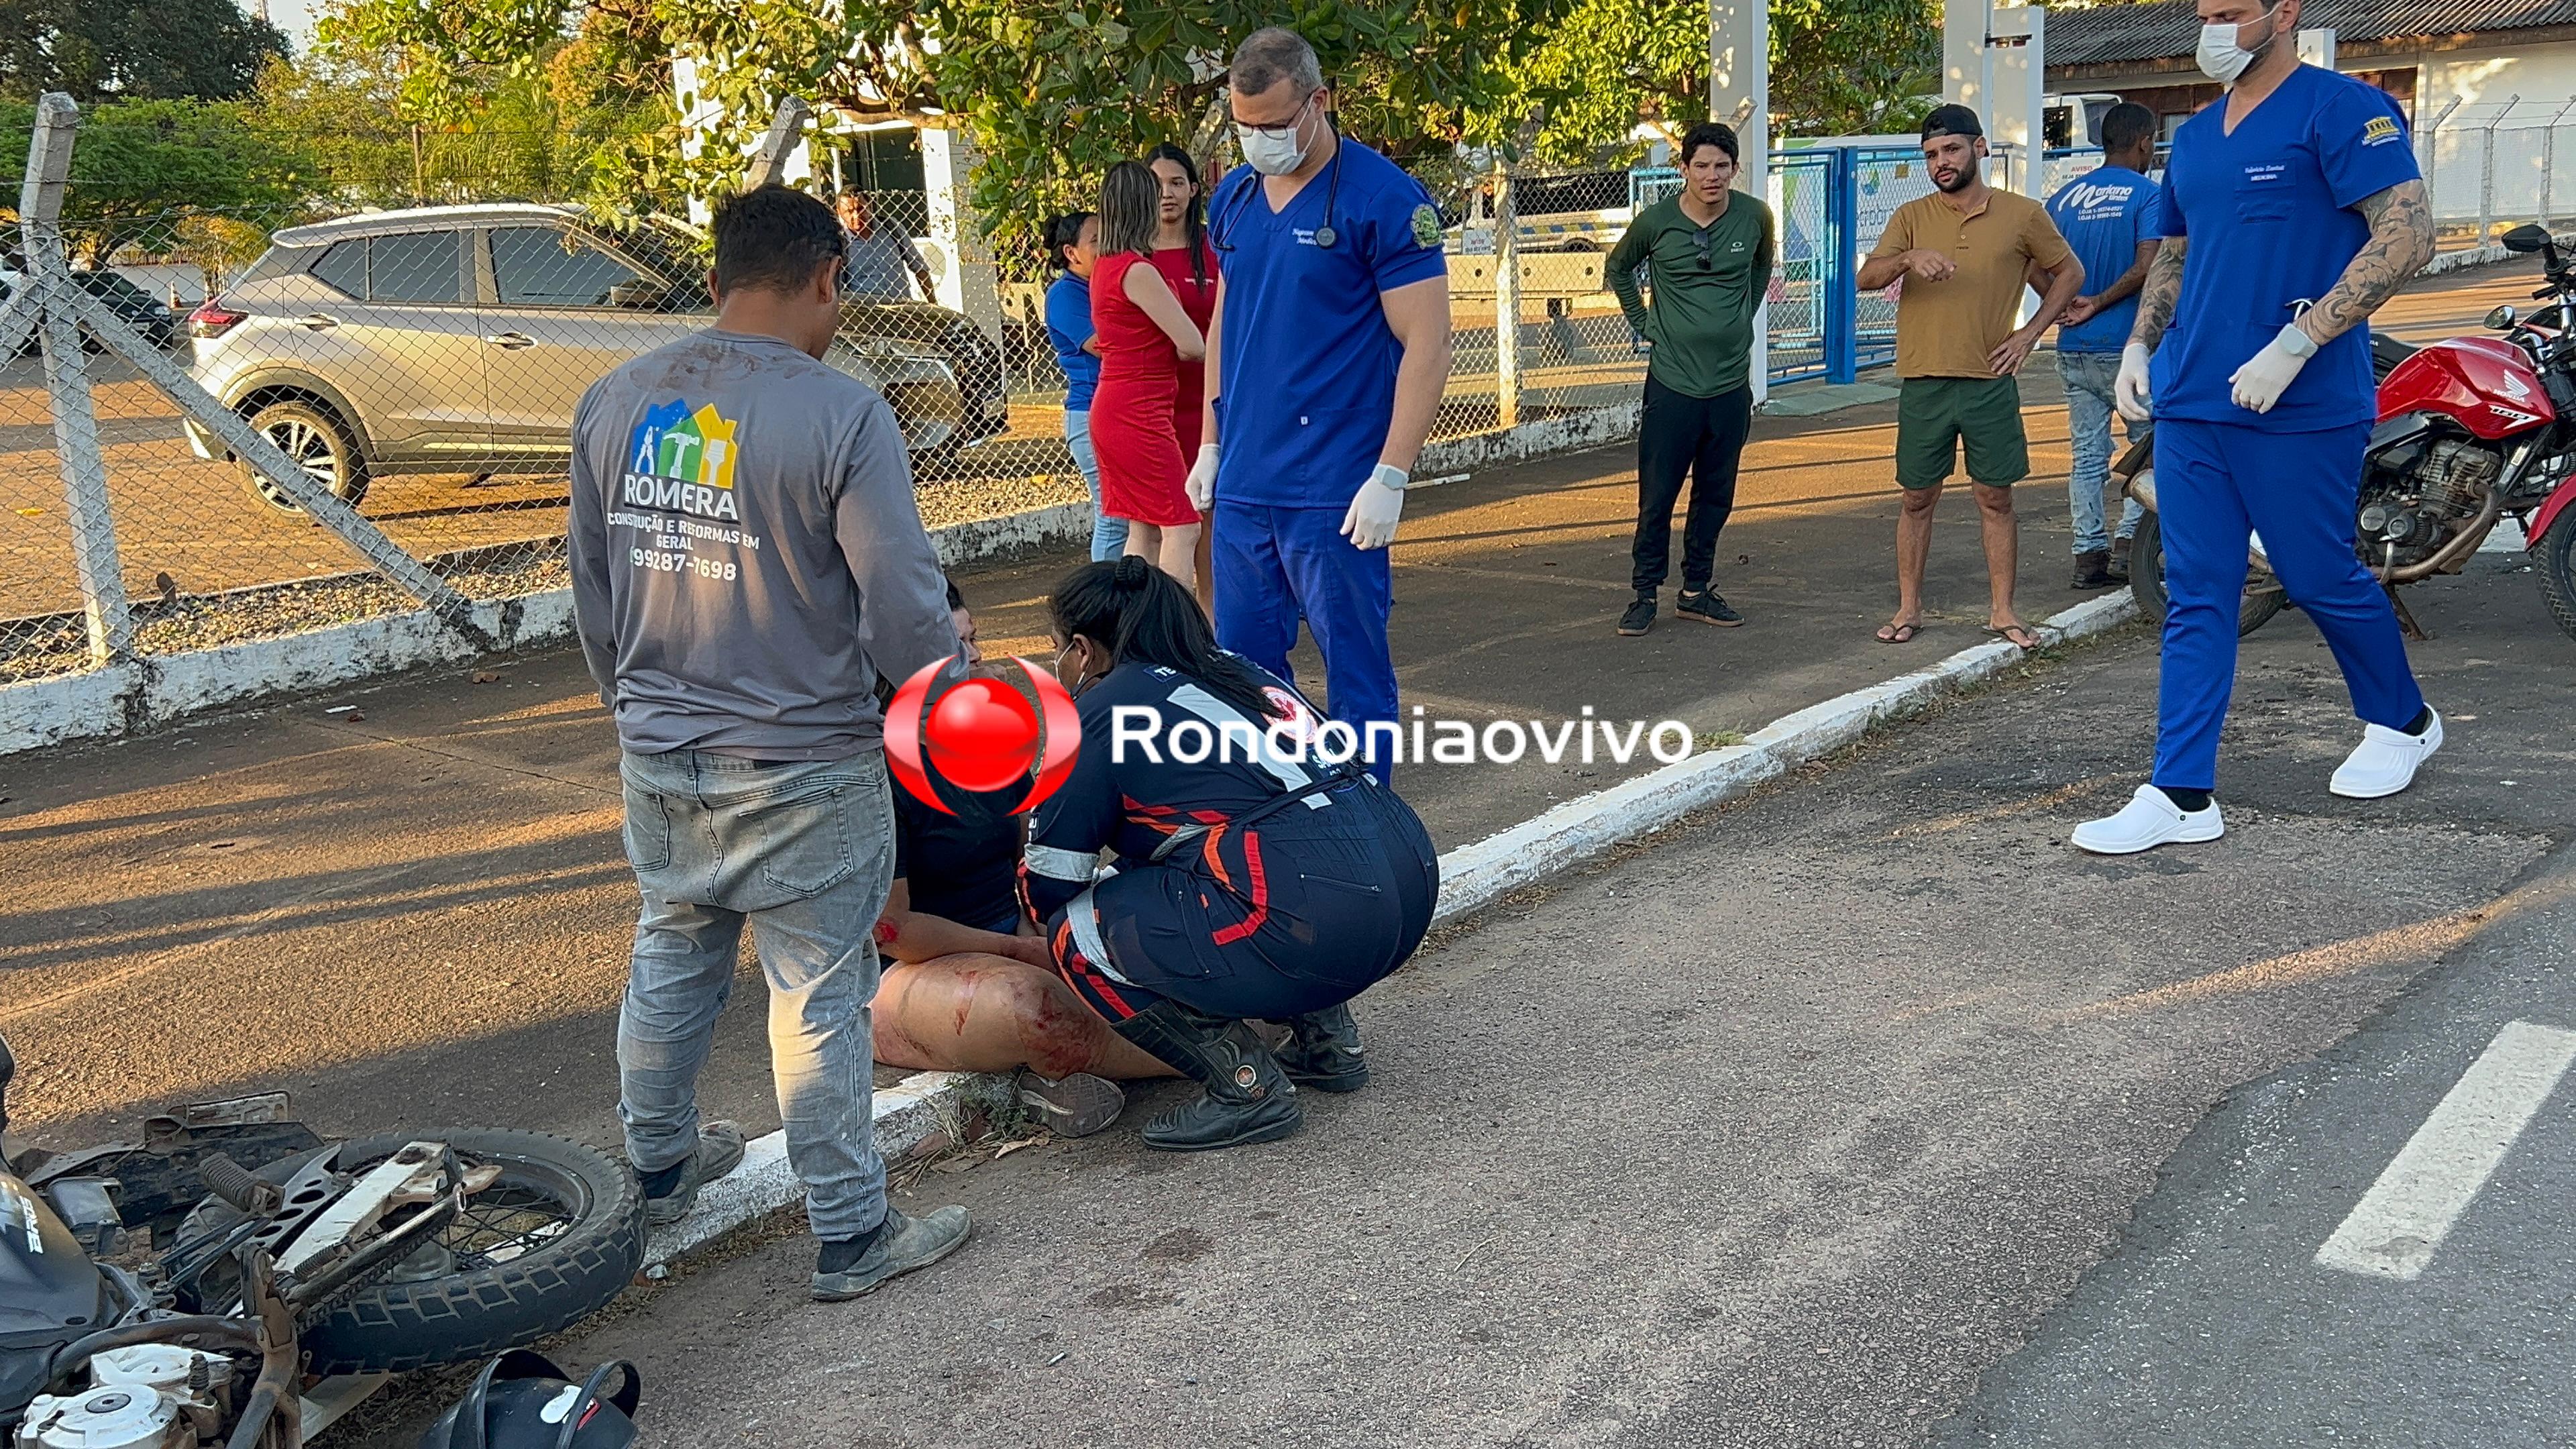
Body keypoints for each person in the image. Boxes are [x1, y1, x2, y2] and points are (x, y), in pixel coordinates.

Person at [568, 183, 972, 1303]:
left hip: (660, 749)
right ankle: (851, 1235)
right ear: (830, 279)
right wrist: (946, 683)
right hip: (805, 759)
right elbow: (898, 596)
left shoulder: (612, 400)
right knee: (815, 996)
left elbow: (594, 593)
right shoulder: (842, 413)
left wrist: (637, 709)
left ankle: (655, 1175)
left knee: (672, 956)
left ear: (714, 282)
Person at [2072, 0, 2442, 855]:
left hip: (2299, 399)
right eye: (2205, 13)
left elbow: (2409, 232)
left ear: (2285, 14)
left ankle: (2403, 720)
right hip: (2195, 396)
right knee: (2198, 592)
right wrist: (2140, 341)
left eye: (2232, 12)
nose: (2213, 29)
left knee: (2318, 576)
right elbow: (2176, 248)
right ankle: (2182, 793)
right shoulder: (2196, 136)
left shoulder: (2341, 107)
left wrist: (2300, 340)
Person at [1020, 557, 1441, 1151]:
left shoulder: (1098, 710)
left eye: (1058, 647)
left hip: (1319, 914)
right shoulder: (1238, 670)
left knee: (1078, 932)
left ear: (1083, 650)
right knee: (1212, 855)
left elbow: (1050, 878)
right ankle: (1329, 1044)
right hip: (1408, 879)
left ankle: (1246, 1088)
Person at [1189, 27, 1454, 786]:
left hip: (1334, 492)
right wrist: (1210, 443)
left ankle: (1369, 823)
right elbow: (1223, 326)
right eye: (1245, 126)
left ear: (1319, 102)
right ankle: (1277, 817)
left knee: (1356, 676)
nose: (1259, 140)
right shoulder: (1235, 199)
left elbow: (1428, 343)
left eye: (1274, 124)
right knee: (1244, 679)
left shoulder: (1384, 200)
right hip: (1244, 488)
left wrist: (1392, 475)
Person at [869, 580, 1176, 1138]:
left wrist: (1047, 934)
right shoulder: (876, 770)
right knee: (1032, 1004)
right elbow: (894, 930)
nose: (979, 655)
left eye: (975, 638)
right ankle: (1224, 1053)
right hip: (900, 975)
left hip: (1010, 935)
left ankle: (1044, 1077)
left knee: (1154, 913)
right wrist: (1023, 950)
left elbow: (1030, 867)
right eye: (959, 646)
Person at [1856, 104, 2082, 649]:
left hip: (1989, 380)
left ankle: (2003, 611)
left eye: (1951, 149)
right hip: (1924, 381)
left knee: (1995, 498)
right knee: (1916, 498)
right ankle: (1908, 608)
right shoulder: (1911, 217)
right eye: (1931, 154)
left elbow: (2069, 272)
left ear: (1979, 148)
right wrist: (1909, 259)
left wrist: (2029, 335)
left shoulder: (2023, 214)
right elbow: (1866, 277)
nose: (1941, 162)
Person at [1606, 119, 1776, 637]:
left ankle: (1697, 591)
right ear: (1684, 169)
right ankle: (1643, 594)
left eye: (1721, 166)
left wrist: (1737, 320)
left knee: (1716, 493)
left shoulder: (1754, 217)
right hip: (1673, 383)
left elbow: (1761, 269)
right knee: (1658, 494)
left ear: (1735, 169)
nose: (1711, 176)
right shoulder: (1656, 222)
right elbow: (1618, 269)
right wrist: (1645, 323)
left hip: (1729, 385)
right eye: (1701, 165)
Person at [2045, 101, 2162, 590]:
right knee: (2151, 452)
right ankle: (2129, 546)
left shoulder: (2064, 199)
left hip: (2074, 348)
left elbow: (2040, 264)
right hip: (2128, 347)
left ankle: (2086, 555)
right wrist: (2097, 302)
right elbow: (2148, 268)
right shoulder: (2149, 196)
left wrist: (2069, 303)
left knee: (2087, 456)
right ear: (2144, 144)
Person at [1091, 160, 1210, 588]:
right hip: (1140, 412)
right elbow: (1193, 344)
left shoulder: (1106, 265)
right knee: (1183, 526)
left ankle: (1135, 629)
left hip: (1114, 407)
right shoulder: (1139, 271)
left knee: (1143, 528)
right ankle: (1167, 630)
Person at [1147, 142, 1223, 614]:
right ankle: (1163, 642)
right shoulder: (1131, 257)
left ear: (1194, 189)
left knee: (1210, 540)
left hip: (1210, 410)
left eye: (1177, 183)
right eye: (1156, 185)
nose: (1168, 194)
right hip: (1155, 411)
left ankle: (1214, 639)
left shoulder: (1216, 250)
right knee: (1159, 533)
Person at [1044, 211, 1128, 562]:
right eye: (1096, 242)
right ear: (1071, 253)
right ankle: (1104, 606)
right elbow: (1108, 345)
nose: (1107, 247)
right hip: (1091, 413)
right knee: (1114, 519)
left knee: (1133, 518)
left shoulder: (1102, 285)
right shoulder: (1065, 294)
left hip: (1118, 412)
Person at [837, 190, 935, 301]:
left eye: (861, 209)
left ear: (870, 206)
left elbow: (918, 266)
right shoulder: (839, 243)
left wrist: (932, 302)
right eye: (849, 212)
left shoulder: (891, 228)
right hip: (867, 311)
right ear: (839, 213)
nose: (856, 215)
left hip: (902, 305)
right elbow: (837, 288)